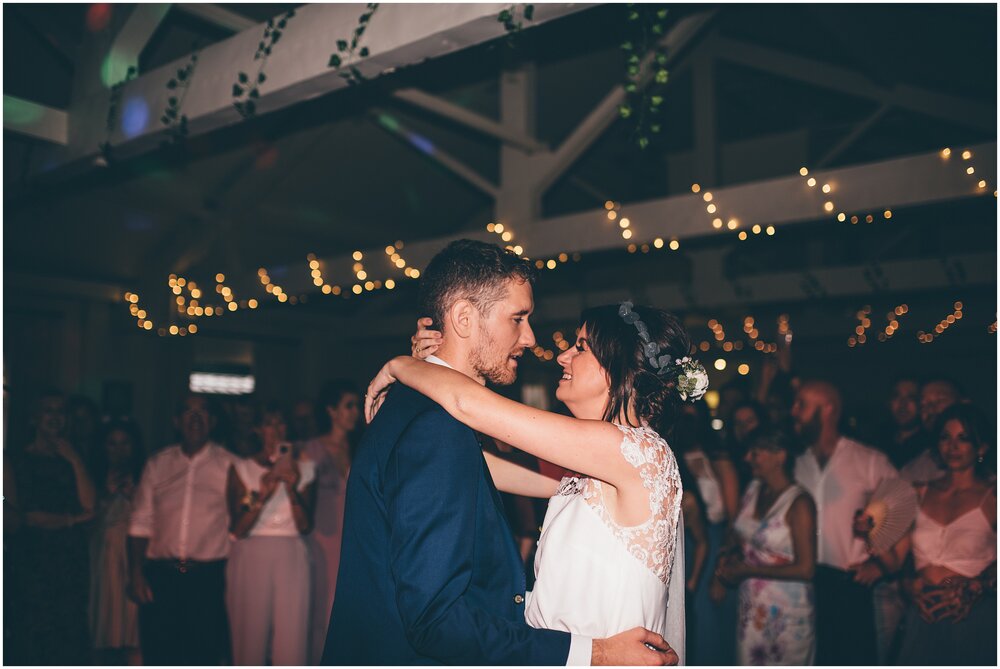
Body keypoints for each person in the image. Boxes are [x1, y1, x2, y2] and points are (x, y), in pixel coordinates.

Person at [325, 240, 679, 665]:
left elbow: (470, 410)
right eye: (519, 318)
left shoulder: (633, 453)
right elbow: (478, 461)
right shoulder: (444, 432)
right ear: (464, 317)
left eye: (581, 347)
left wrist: (403, 366)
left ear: (618, 369)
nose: (542, 344)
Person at [878, 403, 996, 666]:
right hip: (924, 613)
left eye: (963, 438)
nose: (952, 446)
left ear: (981, 448)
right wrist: (872, 533)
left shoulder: (993, 496)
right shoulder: (917, 492)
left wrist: (977, 586)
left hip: (972, 612)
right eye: (945, 437)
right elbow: (897, 559)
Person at [791, 380, 898, 665]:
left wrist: (883, 564)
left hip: (848, 586)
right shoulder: (796, 463)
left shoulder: (869, 460)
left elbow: (905, 512)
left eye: (802, 404)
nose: (793, 411)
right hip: (801, 584)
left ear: (828, 410)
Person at [127, 393, 234, 665]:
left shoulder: (231, 465)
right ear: (176, 421)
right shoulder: (157, 464)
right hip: (161, 578)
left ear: (212, 421)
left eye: (202, 411)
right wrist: (136, 572)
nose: (195, 417)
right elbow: (140, 522)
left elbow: (239, 526)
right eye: (188, 411)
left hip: (208, 580)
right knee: (159, 654)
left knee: (203, 655)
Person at [4, 389, 95, 665]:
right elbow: (20, 517)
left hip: (69, 560)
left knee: (69, 633)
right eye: (49, 411)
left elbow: (91, 505)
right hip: (32, 561)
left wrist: (75, 460)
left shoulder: (74, 459)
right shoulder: (14, 460)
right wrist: (71, 519)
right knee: (33, 633)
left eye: (61, 412)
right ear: (34, 418)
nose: (56, 418)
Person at [226, 402, 317, 666]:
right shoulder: (241, 468)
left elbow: (305, 526)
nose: (275, 430)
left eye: (280, 423)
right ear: (257, 429)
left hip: (291, 552)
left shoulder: (307, 469)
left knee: (293, 635)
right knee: (249, 636)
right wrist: (263, 495)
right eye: (269, 424)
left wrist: (292, 488)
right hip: (251, 552)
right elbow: (237, 528)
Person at [716, 428, 816, 665]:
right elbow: (738, 533)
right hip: (752, 609)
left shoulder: (800, 502)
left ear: (780, 456)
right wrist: (727, 554)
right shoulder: (753, 490)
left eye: (756, 452)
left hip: (786, 616)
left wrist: (749, 570)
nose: (747, 458)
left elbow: (806, 569)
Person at [305, 379, 360, 665]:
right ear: (331, 411)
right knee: (321, 612)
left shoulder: (359, 448)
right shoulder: (311, 450)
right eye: (348, 406)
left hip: (352, 540)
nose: (355, 412)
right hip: (322, 541)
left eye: (356, 405)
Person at [89, 419, 146, 665]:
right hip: (103, 558)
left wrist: (136, 498)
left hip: (133, 557)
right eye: (112, 444)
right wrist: (104, 496)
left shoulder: (146, 475)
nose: (119, 450)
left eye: (124, 444)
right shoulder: (91, 475)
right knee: (103, 628)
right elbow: (86, 524)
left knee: (132, 632)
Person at [900, 378, 962, 483]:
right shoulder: (913, 472)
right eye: (923, 405)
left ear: (964, 403)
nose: (930, 409)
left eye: (940, 401)